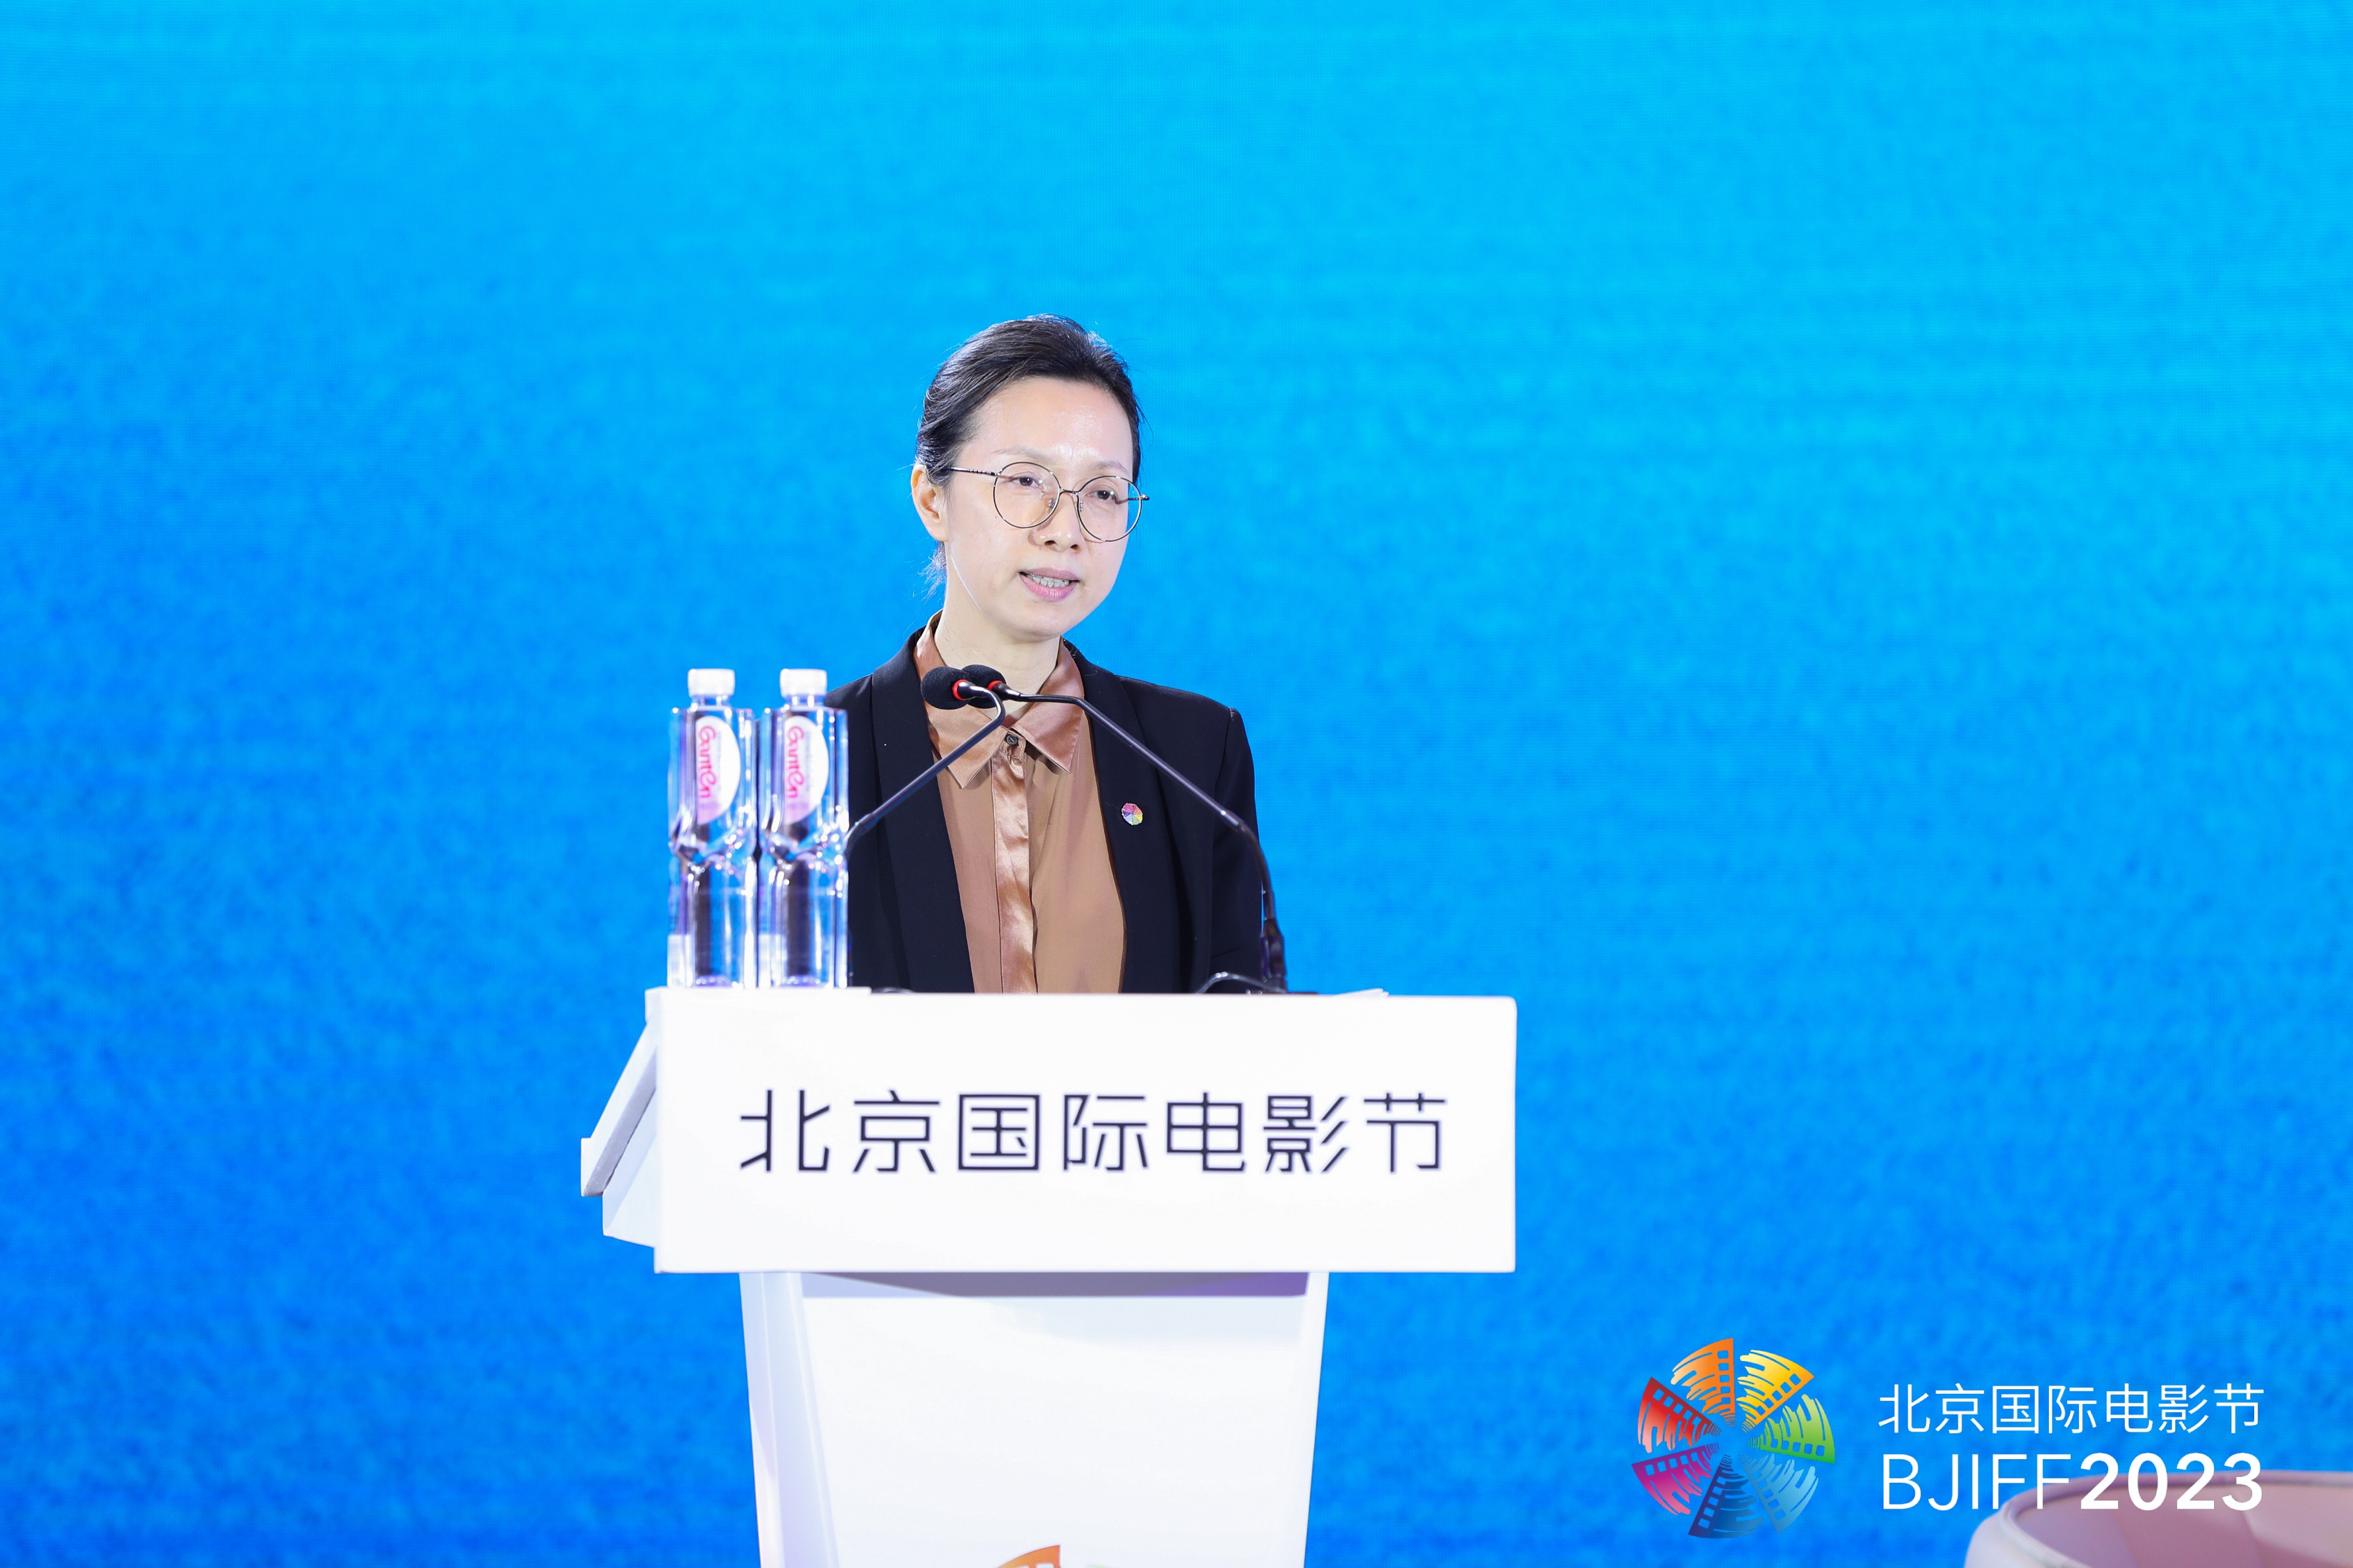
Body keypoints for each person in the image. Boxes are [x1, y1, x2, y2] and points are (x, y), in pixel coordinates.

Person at [827, 315, 1273, 995]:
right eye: (1025, 481)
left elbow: (1242, 1022)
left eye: (1103, 493)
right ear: (931, 499)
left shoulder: (1192, 754)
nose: (1065, 530)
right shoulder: (815, 754)